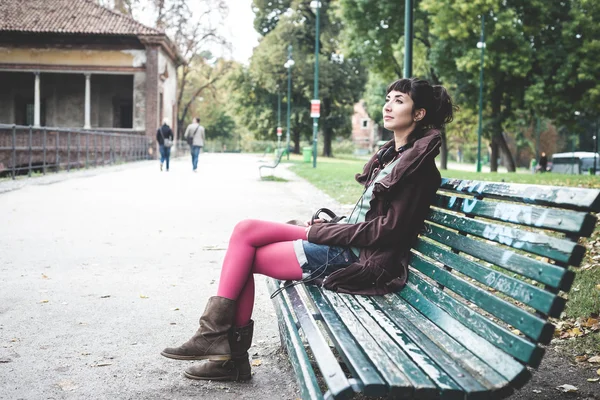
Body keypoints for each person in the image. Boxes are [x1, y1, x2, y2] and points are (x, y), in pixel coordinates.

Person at [161, 77, 455, 381]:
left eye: (399, 100)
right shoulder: (396, 158)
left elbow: (387, 231)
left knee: (245, 242)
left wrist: (322, 233)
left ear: (418, 114)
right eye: (388, 98)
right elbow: (368, 218)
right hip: (348, 248)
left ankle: (225, 354)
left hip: (359, 261)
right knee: (245, 234)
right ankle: (221, 349)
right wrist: (331, 226)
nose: (388, 105)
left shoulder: (419, 170)